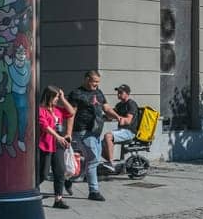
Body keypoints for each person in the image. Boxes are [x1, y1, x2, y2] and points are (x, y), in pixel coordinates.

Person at [69, 69, 120, 201]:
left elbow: (106, 108)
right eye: (94, 82)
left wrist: (117, 116)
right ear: (87, 79)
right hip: (82, 131)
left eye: (98, 82)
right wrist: (68, 133)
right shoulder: (76, 94)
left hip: (95, 131)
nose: (96, 85)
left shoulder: (98, 92)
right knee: (93, 159)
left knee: (91, 160)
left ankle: (68, 179)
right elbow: (71, 114)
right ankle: (94, 191)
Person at [37, 85, 74, 209]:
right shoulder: (41, 110)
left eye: (58, 97)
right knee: (43, 173)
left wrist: (64, 99)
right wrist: (58, 136)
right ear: (49, 97)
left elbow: (71, 112)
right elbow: (45, 126)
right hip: (46, 144)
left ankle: (58, 199)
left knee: (60, 171)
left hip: (58, 145)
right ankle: (31, 190)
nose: (57, 100)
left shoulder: (58, 110)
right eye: (56, 97)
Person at [105, 83, 140, 164]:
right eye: (118, 92)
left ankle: (111, 163)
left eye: (121, 92)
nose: (119, 94)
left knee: (108, 136)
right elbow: (110, 116)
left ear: (127, 94)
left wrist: (119, 118)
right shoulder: (119, 105)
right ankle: (114, 164)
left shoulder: (131, 104)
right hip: (121, 130)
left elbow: (128, 121)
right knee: (101, 144)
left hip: (129, 132)